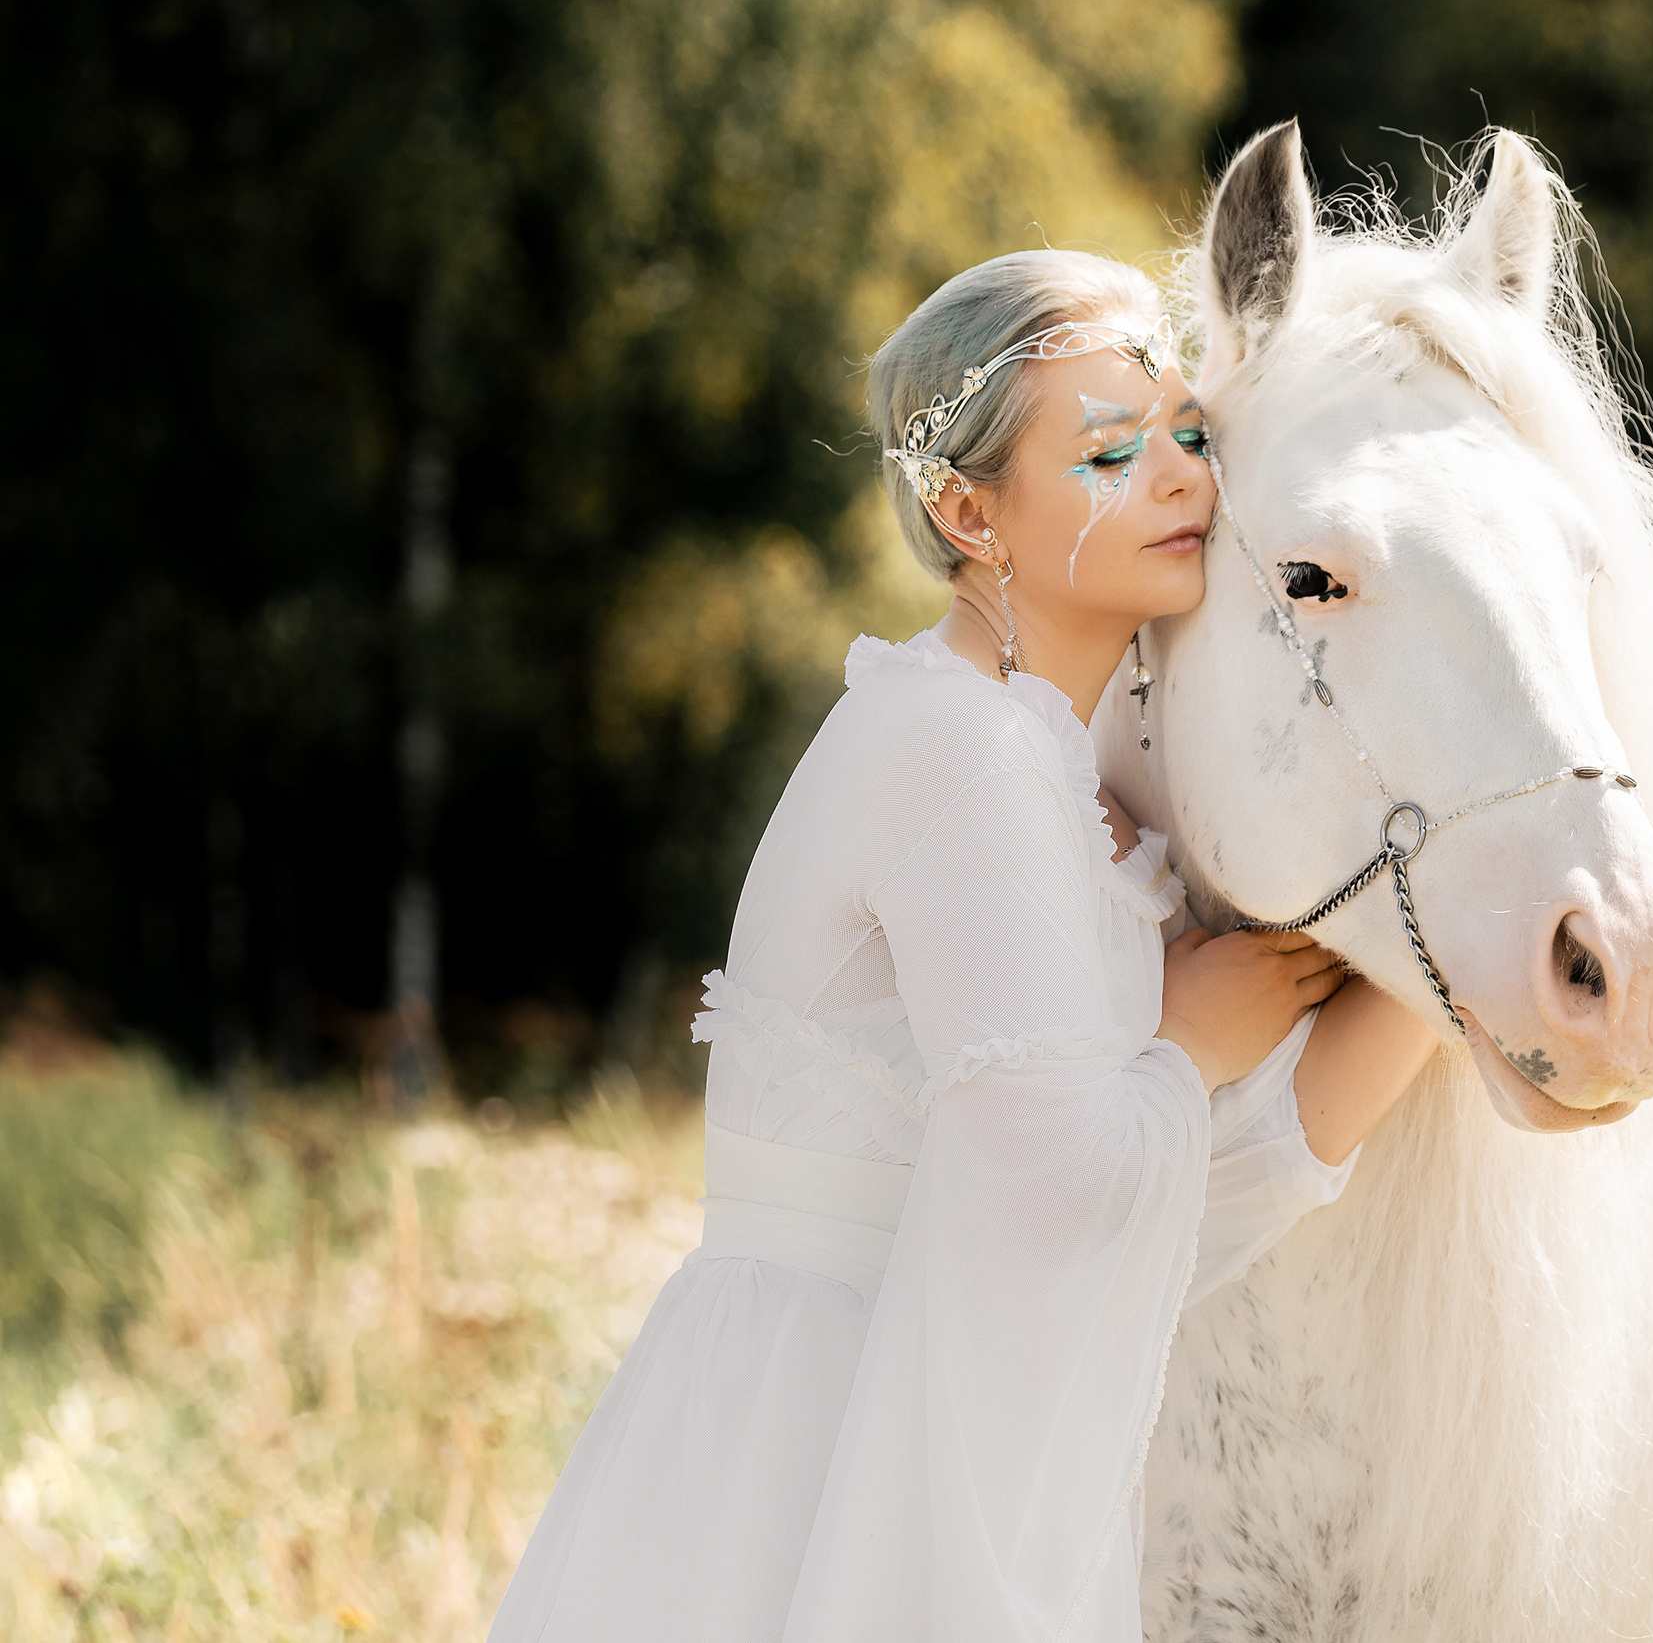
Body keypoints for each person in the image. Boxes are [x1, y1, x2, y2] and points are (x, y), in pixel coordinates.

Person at [487, 249, 1444, 1643]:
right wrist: (1192, 1039)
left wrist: (1446, 947)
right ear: (965, 506)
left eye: (1186, 432)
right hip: (818, 1437)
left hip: (905, 1397)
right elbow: (1064, 1189)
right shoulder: (961, 751)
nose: (1183, 476)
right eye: (1111, 449)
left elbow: (1202, 1192)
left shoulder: (1058, 784)